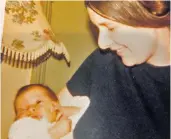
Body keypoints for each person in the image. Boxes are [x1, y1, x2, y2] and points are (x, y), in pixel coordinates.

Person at [57, 1, 170, 139]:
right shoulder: (103, 59)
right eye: (98, 29)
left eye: (111, 28)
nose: (102, 44)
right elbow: (51, 110)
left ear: (152, 13)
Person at [9, 84, 80, 139]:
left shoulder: (66, 120)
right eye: (22, 111)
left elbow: (85, 112)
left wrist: (64, 110)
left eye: (38, 102)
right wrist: (53, 134)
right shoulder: (22, 130)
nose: (31, 109)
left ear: (54, 106)